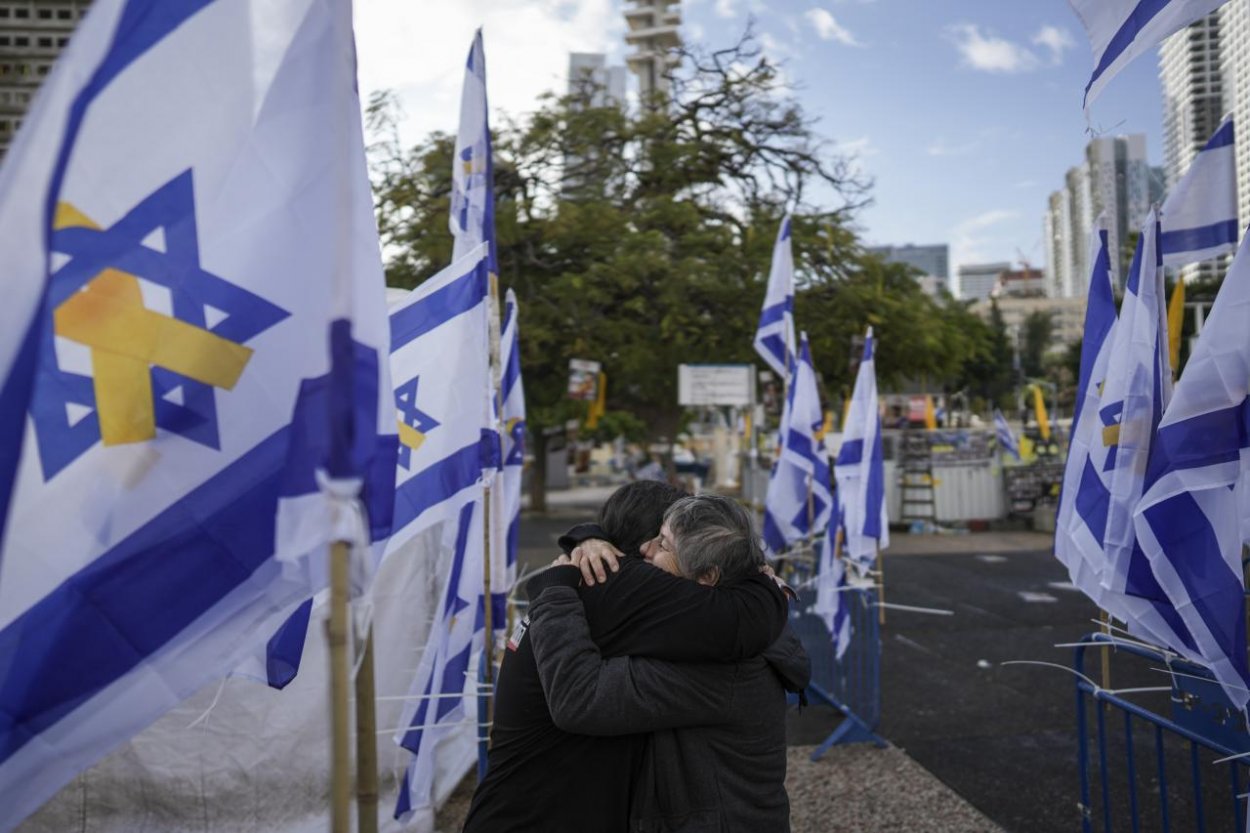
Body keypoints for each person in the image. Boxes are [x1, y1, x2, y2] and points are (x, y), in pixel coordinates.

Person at [461, 483, 789, 833]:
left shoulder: (598, 591)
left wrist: (584, 539)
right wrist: (767, 591)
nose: (651, 550)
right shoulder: (611, 595)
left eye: (665, 544)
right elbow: (739, 619)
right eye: (658, 539)